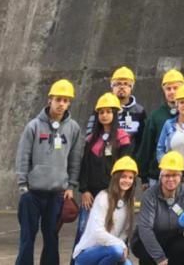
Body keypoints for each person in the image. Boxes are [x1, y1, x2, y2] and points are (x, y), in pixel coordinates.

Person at [16, 79, 83, 265]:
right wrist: (23, 185)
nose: (61, 104)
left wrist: (71, 186)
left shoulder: (73, 128)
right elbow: (23, 155)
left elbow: (75, 159)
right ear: (50, 100)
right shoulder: (34, 126)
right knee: (27, 237)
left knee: (52, 238)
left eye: (66, 100)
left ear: (69, 103)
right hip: (32, 193)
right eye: (58, 99)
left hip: (57, 194)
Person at [75, 93, 132, 258]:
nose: (105, 115)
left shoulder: (123, 138)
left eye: (108, 111)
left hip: (113, 194)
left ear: (115, 114)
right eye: (101, 112)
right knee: (84, 230)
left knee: (114, 230)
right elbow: (84, 166)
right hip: (91, 196)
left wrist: (117, 193)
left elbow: (124, 169)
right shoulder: (91, 139)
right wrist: (84, 190)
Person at [72, 156, 138, 265]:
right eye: (123, 176)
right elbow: (97, 232)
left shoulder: (129, 203)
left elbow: (124, 234)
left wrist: (120, 246)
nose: (127, 180)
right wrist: (121, 245)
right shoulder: (103, 197)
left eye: (130, 177)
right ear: (116, 177)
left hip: (110, 252)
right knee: (116, 251)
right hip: (86, 254)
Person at [132, 151, 184, 265]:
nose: (170, 179)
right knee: (148, 258)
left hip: (173, 238)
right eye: (167, 175)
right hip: (146, 240)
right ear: (161, 176)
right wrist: (160, 258)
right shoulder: (149, 195)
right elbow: (145, 229)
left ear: (181, 176)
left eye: (174, 175)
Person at [137, 69, 184, 185]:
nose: (172, 92)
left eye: (176, 88)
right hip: (158, 176)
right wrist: (144, 178)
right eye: (168, 89)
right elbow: (146, 147)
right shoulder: (155, 117)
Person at [85, 67, 147, 154]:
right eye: (118, 84)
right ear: (112, 87)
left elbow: (143, 140)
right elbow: (90, 135)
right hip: (103, 159)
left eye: (126, 84)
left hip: (128, 160)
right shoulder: (102, 107)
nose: (122, 87)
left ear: (131, 87)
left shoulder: (140, 111)